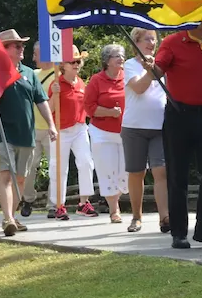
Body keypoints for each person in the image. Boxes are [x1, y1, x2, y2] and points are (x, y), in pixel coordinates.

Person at [149, 19, 202, 249]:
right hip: (179, 115)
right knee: (178, 176)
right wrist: (150, 66)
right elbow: (158, 69)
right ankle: (179, 233)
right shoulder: (173, 41)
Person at [0, 29, 57, 237]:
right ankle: (8, 219)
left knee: (21, 179)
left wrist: (51, 124)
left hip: (26, 134)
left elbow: (41, 100)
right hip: (3, 133)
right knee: (5, 174)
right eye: (17, 45)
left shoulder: (29, 73)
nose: (22, 49)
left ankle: (11, 216)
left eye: (22, 45)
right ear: (5, 49)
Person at [122, 27, 169, 233]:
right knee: (136, 173)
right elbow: (139, 88)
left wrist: (156, 69)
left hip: (159, 126)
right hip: (134, 127)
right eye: (147, 39)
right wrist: (150, 73)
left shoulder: (162, 65)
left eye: (154, 39)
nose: (151, 43)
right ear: (136, 43)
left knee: (161, 171)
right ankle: (136, 217)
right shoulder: (130, 65)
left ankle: (165, 218)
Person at [48, 45, 97, 221]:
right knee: (58, 167)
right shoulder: (56, 83)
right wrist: (54, 94)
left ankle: (84, 202)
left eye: (78, 61)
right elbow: (49, 109)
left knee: (86, 162)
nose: (76, 64)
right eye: (72, 61)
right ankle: (58, 205)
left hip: (79, 127)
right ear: (63, 65)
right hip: (60, 129)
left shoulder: (81, 83)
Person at [85, 44, 130, 224]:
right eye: (116, 56)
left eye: (122, 55)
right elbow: (89, 108)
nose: (121, 58)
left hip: (127, 132)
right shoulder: (96, 80)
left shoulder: (129, 78)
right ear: (107, 61)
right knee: (107, 170)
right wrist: (110, 112)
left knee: (126, 171)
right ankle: (114, 209)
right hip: (102, 133)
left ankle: (117, 197)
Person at [26, 41, 55, 218]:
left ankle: (53, 204)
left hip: (53, 129)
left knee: (54, 167)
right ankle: (28, 199)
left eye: (36, 54)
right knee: (29, 167)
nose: (33, 58)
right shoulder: (34, 74)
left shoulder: (59, 74)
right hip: (33, 128)